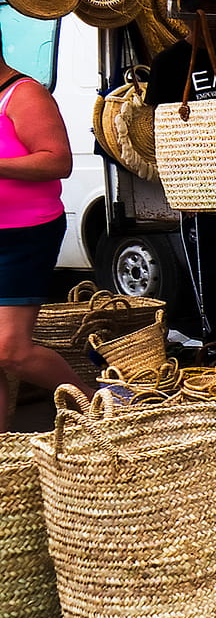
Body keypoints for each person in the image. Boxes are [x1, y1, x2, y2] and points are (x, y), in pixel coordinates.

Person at [144, 0, 216, 347]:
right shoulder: (170, 63)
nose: (211, 20)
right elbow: (160, 124)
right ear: (187, 16)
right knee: (212, 270)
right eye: (202, 11)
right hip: (202, 182)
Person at [0, 38, 85, 429]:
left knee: (10, 351)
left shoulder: (24, 94)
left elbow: (58, 161)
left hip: (23, 236)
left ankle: (99, 409)